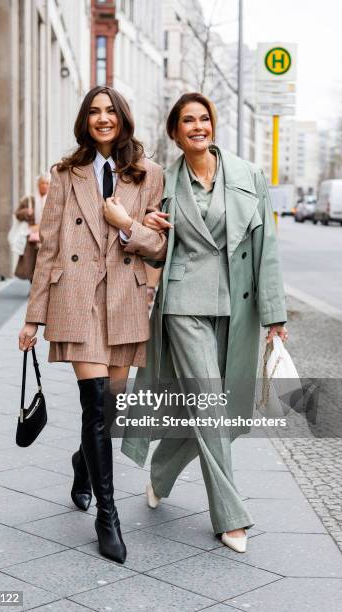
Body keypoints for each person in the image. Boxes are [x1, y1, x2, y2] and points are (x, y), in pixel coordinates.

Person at [121, 92, 288, 554]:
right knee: (211, 405)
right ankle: (231, 515)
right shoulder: (161, 182)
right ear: (175, 133)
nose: (198, 126)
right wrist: (146, 224)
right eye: (187, 121)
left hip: (238, 308)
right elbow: (139, 237)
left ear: (212, 125)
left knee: (221, 409)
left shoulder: (248, 175)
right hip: (182, 306)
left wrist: (275, 314)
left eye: (204, 119)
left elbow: (267, 249)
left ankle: (162, 470)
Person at [18, 86, 167, 564]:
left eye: (110, 111)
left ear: (123, 118)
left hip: (124, 299)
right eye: (94, 112)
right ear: (85, 121)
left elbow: (159, 246)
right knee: (96, 404)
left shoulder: (149, 175)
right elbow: (49, 248)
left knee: (110, 411)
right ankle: (109, 517)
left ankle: (84, 464)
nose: (103, 118)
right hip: (77, 299)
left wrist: (127, 224)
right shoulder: (66, 174)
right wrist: (33, 318)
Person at [14, 174, 51, 282]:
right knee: (31, 262)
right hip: (32, 235)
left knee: (43, 264)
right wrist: (26, 212)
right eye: (43, 183)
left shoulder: (52, 199)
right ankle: (33, 285)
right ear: (38, 185)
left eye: (47, 183)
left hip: (47, 235)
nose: (45, 186)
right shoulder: (29, 200)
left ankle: (40, 286)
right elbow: (17, 214)